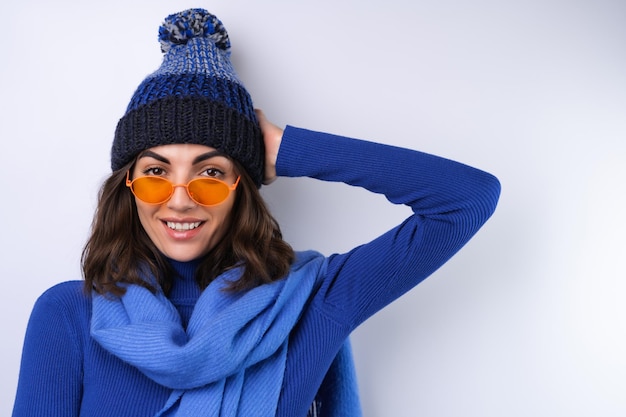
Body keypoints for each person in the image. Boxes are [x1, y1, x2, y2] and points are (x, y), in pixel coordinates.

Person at [11, 8, 501, 417]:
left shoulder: (311, 304)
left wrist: (285, 148)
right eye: (157, 171)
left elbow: (465, 199)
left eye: (209, 173)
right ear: (129, 187)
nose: (180, 198)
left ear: (241, 186)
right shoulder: (70, 314)